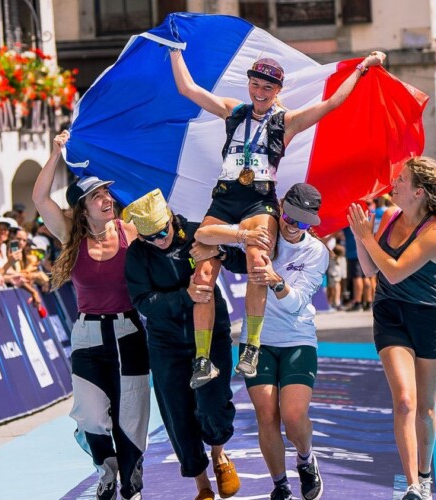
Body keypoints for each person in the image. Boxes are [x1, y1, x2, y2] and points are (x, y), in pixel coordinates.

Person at [169, 45, 386, 385]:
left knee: (259, 263)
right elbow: (187, 89)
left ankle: (251, 348)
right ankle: (202, 358)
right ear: (249, 84)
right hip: (225, 199)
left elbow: (332, 103)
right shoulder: (233, 111)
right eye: (255, 85)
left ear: (277, 91)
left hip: (259, 202)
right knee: (203, 274)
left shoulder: (287, 121)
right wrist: (175, 50)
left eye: (267, 88)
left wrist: (361, 69)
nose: (260, 92)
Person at [32, 130, 150, 500]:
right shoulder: (72, 235)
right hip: (88, 336)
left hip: (128, 331)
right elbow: (40, 198)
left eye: (107, 194)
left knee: (131, 415)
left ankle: (130, 481)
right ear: (83, 208)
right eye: (97, 196)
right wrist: (55, 153)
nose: (107, 199)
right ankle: (107, 470)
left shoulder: (130, 231)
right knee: (90, 415)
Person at [195, 183, 328, 500]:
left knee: (293, 417)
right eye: (290, 218)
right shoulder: (263, 231)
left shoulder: (316, 252)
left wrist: (276, 282)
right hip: (258, 342)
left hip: (297, 339)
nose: (293, 227)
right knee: (266, 416)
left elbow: (297, 303)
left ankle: (306, 459)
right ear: (280, 208)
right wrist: (218, 247)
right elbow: (212, 240)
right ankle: (280, 485)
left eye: (303, 223)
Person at [346, 156, 436, 500]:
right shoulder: (390, 217)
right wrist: (360, 238)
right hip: (390, 314)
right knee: (404, 401)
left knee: (425, 409)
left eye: (400, 180)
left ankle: (425, 476)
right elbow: (372, 270)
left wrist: (367, 238)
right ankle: (412, 484)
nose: (393, 184)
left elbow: (395, 270)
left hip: (431, 319)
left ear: (418, 192)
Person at [124, 188, 243, 500]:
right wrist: (184, 296)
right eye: (151, 237)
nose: (160, 239)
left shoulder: (196, 233)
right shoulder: (137, 255)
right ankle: (202, 484)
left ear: (171, 219)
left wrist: (223, 250)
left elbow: (238, 261)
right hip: (167, 343)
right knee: (178, 414)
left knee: (214, 402)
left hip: (211, 335)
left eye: (163, 231)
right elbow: (143, 302)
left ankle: (219, 453)